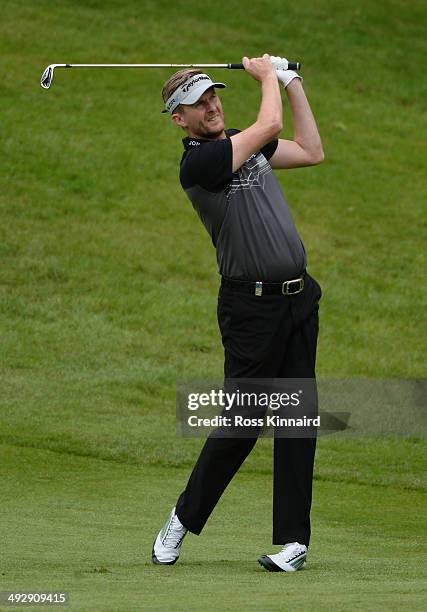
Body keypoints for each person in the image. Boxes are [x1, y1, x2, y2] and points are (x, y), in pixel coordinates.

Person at [152, 54, 324, 572]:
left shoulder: (245, 148)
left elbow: (312, 151)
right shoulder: (199, 163)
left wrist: (292, 82)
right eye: (197, 103)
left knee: (298, 420)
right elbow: (269, 124)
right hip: (250, 309)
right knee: (243, 422)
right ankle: (182, 518)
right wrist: (268, 75)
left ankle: (294, 541)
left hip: (299, 299)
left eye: (212, 95)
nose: (211, 105)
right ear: (179, 120)